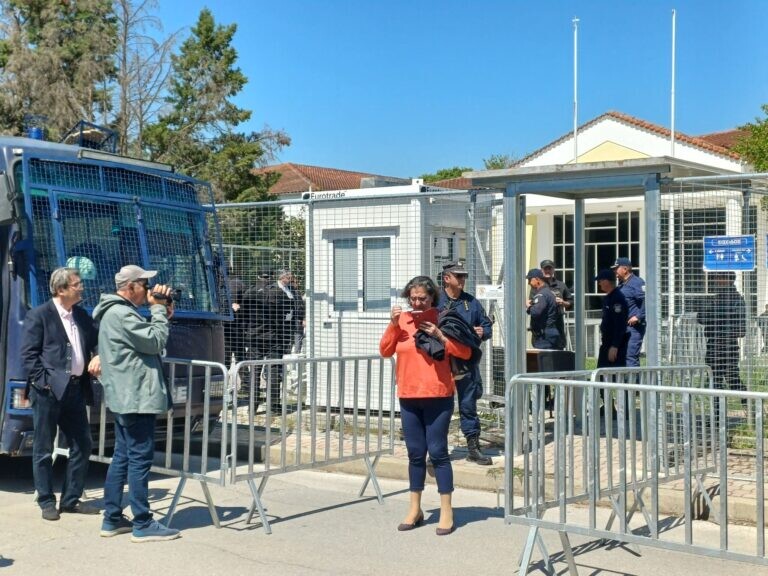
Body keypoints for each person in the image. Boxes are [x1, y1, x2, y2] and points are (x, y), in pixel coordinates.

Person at [92, 264, 180, 542]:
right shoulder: (121, 314)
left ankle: (112, 518)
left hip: (126, 396)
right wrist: (157, 310)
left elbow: (147, 338)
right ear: (130, 287)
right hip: (136, 398)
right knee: (139, 460)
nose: (148, 290)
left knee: (122, 457)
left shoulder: (118, 312)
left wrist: (163, 313)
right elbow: (155, 342)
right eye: (144, 284)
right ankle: (142, 523)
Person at [380, 276, 472, 536]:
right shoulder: (403, 320)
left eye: (422, 298)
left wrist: (440, 335)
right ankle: (415, 508)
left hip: (438, 394)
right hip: (408, 395)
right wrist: (392, 323)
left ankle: (446, 510)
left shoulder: (444, 318)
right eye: (413, 297)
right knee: (415, 453)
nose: (417, 302)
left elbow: (464, 352)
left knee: (439, 451)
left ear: (433, 297)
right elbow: (386, 350)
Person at [20, 267, 101, 521]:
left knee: (82, 443)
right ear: (61, 289)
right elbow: (28, 355)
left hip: (75, 390)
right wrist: (44, 383)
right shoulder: (40, 315)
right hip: (47, 393)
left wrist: (97, 354)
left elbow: (95, 337)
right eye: (77, 284)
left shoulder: (81, 315)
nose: (82, 288)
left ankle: (71, 500)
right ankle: (46, 500)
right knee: (43, 448)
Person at [437, 261, 493, 466]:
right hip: (441, 362)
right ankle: (438, 449)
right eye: (458, 276)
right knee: (441, 407)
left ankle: (473, 447)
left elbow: (486, 326)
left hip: (466, 362)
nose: (462, 280)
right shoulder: (436, 301)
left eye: (464, 276)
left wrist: (483, 331)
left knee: (468, 405)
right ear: (446, 278)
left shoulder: (471, 302)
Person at [256, 269, 305, 411]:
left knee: (280, 363)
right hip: (275, 333)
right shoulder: (273, 290)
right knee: (273, 364)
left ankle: (276, 396)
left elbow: (299, 306)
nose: (290, 278)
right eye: (288, 276)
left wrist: (300, 318)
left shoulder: (292, 290)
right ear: (282, 277)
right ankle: (271, 398)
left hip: (288, 330)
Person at [696, 271, 747, 397]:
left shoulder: (736, 300)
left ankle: (749, 405)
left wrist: (716, 317)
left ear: (728, 280)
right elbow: (701, 317)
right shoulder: (715, 299)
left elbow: (741, 330)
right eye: (716, 278)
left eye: (719, 278)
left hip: (728, 346)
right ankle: (718, 415)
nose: (716, 281)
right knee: (716, 381)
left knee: (730, 379)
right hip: (714, 345)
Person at [595, 269, 630, 418]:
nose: (598, 283)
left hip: (614, 345)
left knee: (617, 377)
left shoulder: (617, 298)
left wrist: (614, 346)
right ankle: (608, 405)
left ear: (607, 281)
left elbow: (620, 324)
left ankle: (623, 409)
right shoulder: (609, 298)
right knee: (602, 375)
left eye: (600, 280)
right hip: (607, 343)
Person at [612, 257, 646, 368]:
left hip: (633, 328)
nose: (614, 271)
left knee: (630, 357)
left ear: (625, 269)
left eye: (616, 268)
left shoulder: (637, 283)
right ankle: (625, 384)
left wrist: (638, 316)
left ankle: (634, 385)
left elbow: (647, 300)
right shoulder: (621, 285)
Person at [539, 259, 573, 350]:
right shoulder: (538, 285)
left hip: (557, 322)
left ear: (553, 270)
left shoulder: (561, 285)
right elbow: (530, 302)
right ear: (541, 270)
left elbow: (570, 302)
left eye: (549, 268)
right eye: (545, 269)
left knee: (558, 347)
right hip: (543, 322)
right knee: (543, 349)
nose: (547, 271)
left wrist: (563, 302)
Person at [525, 268, 560, 350]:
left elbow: (535, 312)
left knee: (543, 361)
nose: (529, 283)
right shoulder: (547, 292)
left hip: (544, 336)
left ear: (537, 279)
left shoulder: (541, 294)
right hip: (549, 333)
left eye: (530, 280)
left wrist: (528, 305)